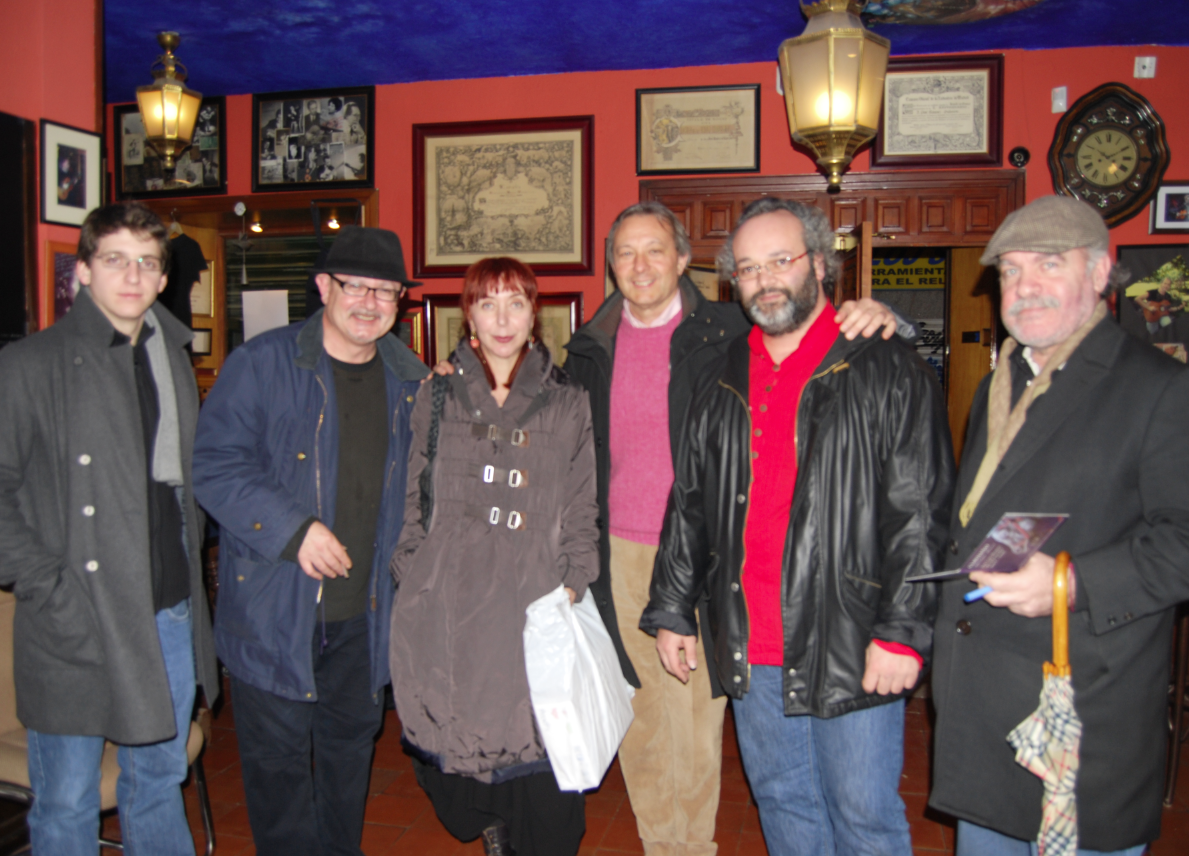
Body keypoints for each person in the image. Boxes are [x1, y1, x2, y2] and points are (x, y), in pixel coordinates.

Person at [564, 200, 911, 854]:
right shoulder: (588, 348)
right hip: (635, 562)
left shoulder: (723, 331)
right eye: (623, 253)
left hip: (738, 567)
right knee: (646, 723)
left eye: (654, 250)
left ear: (683, 259)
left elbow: (826, 338)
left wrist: (889, 317)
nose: (638, 266)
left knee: (708, 732)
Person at [641, 197, 954, 856]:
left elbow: (919, 512)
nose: (765, 280)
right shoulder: (720, 375)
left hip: (851, 632)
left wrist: (901, 632)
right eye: (749, 268)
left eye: (780, 260)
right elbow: (689, 501)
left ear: (818, 263)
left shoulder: (884, 365)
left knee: (862, 815)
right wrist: (671, 609)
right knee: (783, 803)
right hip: (749, 636)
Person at [928, 196, 1189, 855]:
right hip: (984, 713)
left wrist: (1070, 583)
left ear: (1100, 272)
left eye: (1048, 264)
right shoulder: (1001, 382)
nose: (1024, 287)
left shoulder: (1160, 389)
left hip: (1080, 710)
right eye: (1010, 272)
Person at [192, 226, 427, 856]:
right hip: (274, 612)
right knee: (278, 780)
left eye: (387, 291)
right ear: (324, 286)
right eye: (356, 286)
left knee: (350, 766)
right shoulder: (261, 364)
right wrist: (294, 528)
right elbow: (215, 466)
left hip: (365, 616)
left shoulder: (414, 383)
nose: (371, 303)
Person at [0, 201, 219, 855]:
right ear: (84, 273)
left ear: (161, 278)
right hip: (78, 615)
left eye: (146, 263)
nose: (132, 276)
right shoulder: (29, 365)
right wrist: (46, 585)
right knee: (67, 802)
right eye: (115, 260)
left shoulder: (171, 355)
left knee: (158, 777)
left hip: (169, 610)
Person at [389, 257, 599, 856]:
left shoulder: (567, 402)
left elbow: (583, 508)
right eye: (488, 303)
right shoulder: (438, 395)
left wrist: (574, 582)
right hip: (450, 605)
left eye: (515, 303)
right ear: (469, 317)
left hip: (536, 609)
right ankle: (495, 836)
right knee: (461, 770)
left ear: (535, 314)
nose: (502, 318)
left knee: (547, 782)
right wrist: (414, 572)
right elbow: (413, 496)